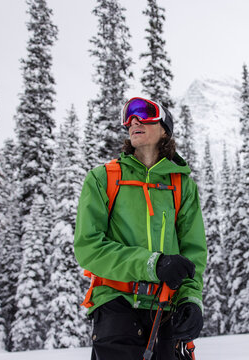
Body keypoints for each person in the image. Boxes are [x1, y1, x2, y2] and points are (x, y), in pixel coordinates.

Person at [74, 97, 207, 360]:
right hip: (115, 304)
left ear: (164, 128)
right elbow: (88, 247)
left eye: (145, 113)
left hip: (165, 309)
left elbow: (193, 254)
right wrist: (152, 264)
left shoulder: (182, 186)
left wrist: (190, 300)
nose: (134, 120)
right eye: (128, 115)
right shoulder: (103, 178)